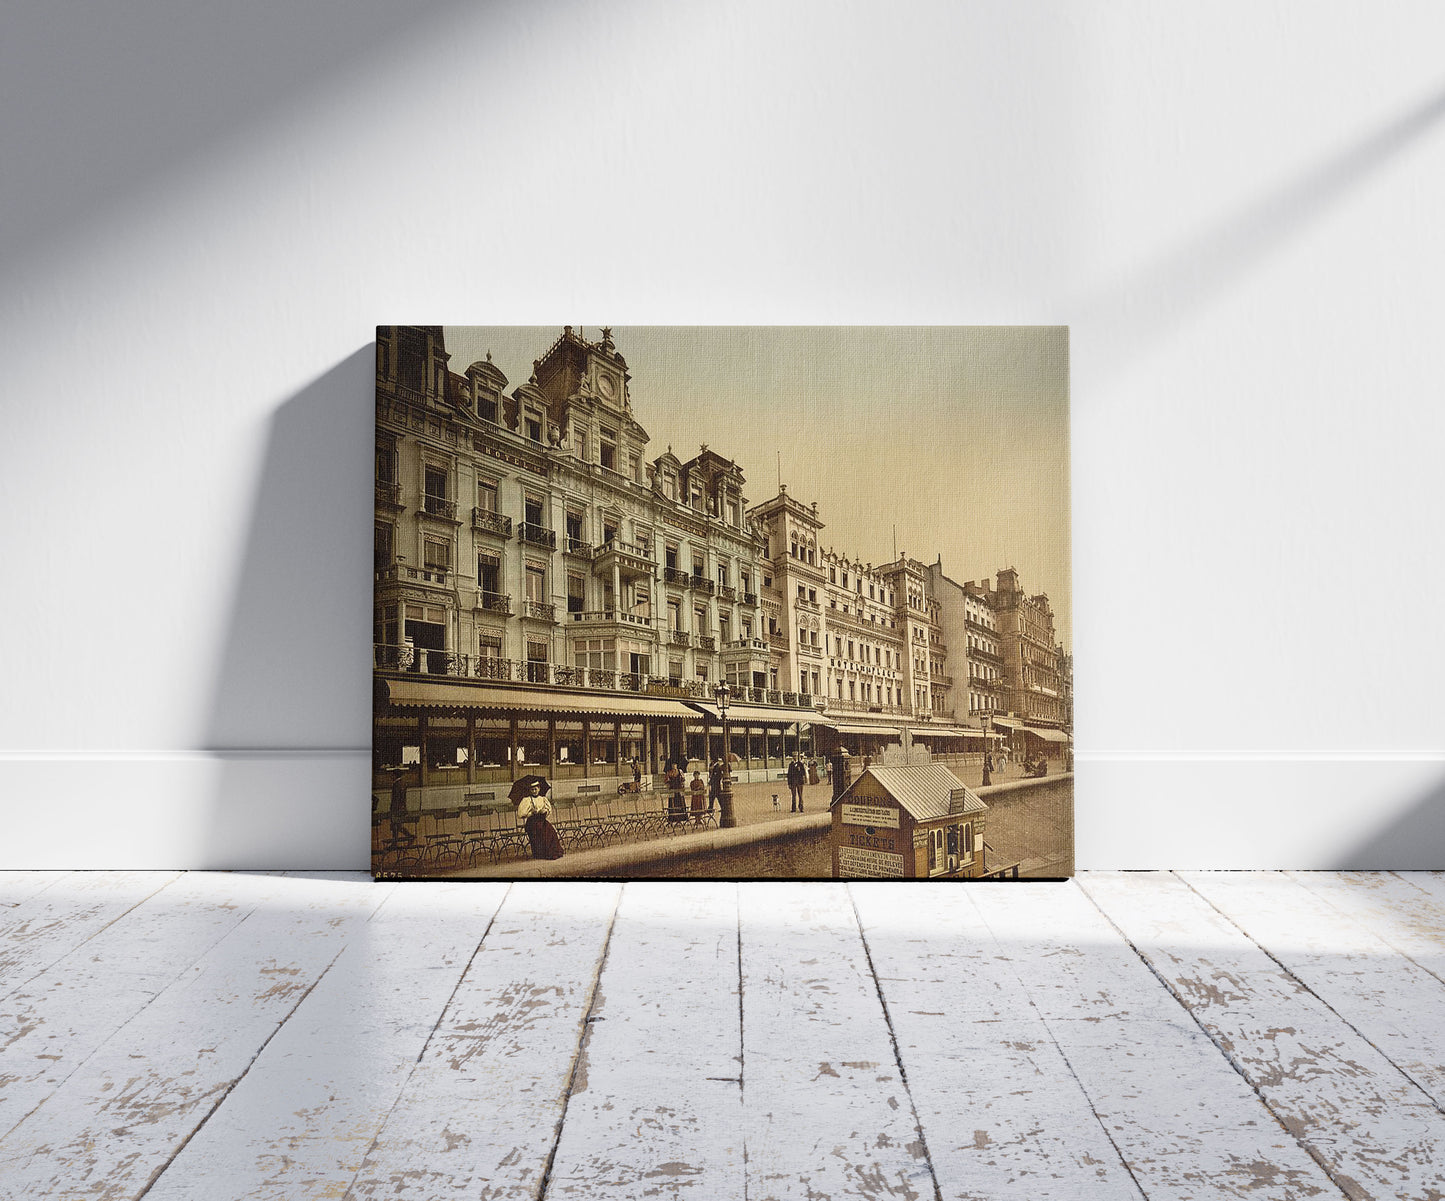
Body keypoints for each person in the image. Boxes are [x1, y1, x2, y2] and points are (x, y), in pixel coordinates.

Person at [517, 781, 564, 860]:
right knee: (540, 831)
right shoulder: (527, 800)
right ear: (530, 790)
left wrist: (544, 811)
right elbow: (520, 814)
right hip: (532, 822)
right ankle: (540, 853)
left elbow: (548, 810)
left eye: (535, 789)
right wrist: (531, 812)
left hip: (542, 821)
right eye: (532, 790)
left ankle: (551, 852)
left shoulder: (543, 799)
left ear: (539, 789)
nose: (534, 791)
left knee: (551, 831)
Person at [387, 768, 416, 845]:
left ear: (395, 775)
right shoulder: (402, 783)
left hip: (397, 808)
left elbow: (396, 798)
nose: (390, 776)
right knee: (397, 825)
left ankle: (396, 841)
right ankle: (407, 837)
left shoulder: (396, 784)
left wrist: (392, 809)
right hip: (401, 808)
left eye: (392, 775)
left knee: (395, 825)